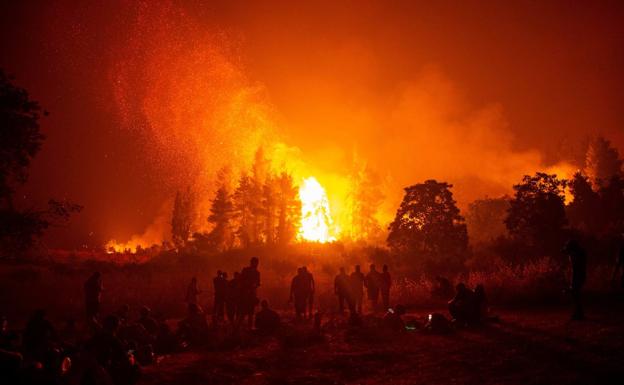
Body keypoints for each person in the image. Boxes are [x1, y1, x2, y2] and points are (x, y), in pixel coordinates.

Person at [87, 315, 140, 385]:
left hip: (92, 372)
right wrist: (131, 350)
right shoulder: (113, 340)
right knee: (134, 368)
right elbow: (124, 357)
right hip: (107, 372)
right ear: (115, 327)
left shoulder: (95, 337)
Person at [563, 239, 587, 320]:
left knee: (575, 293)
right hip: (581, 275)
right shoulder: (580, 254)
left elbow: (575, 269)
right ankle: (578, 312)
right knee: (575, 293)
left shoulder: (575, 256)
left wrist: (572, 282)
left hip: (578, 275)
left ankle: (579, 313)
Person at [239, 257, 261, 328]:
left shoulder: (257, 273)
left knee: (251, 312)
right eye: (255, 262)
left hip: (252, 295)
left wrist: (255, 285)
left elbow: (258, 283)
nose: (256, 264)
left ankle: (249, 327)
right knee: (243, 312)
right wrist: (247, 284)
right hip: (245, 294)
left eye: (256, 263)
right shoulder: (245, 270)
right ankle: (238, 328)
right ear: (252, 263)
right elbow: (241, 280)